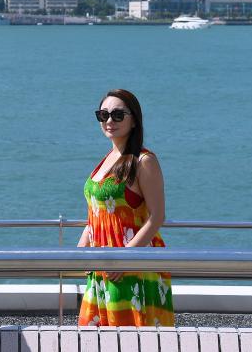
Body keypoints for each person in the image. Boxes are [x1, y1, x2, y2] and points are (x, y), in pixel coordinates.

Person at [77, 88, 175, 326]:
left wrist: (124, 258)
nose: (110, 121)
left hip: (131, 267)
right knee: (94, 338)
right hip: (101, 265)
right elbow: (96, 215)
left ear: (134, 121)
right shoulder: (107, 159)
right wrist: (79, 253)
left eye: (118, 115)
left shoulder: (144, 161)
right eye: (103, 115)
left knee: (131, 338)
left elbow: (157, 216)